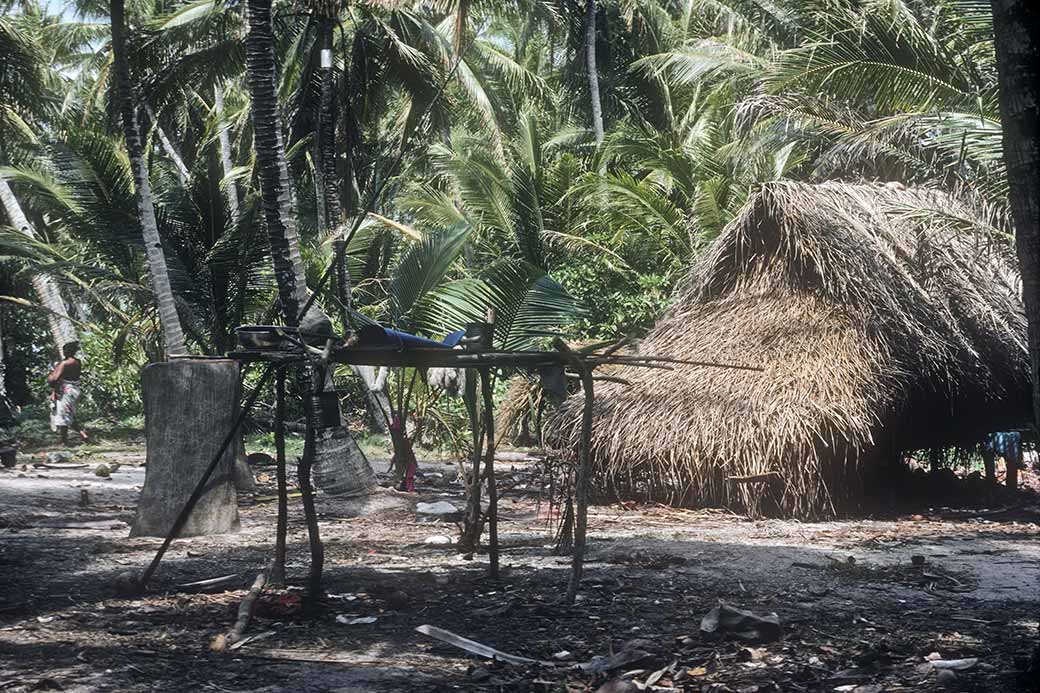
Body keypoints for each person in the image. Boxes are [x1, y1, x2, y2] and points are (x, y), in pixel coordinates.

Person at [46, 341, 85, 446]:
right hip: (74, 390)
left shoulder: (65, 363)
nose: (63, 352)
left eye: (65, 350)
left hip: (66, 391)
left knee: (63, 416)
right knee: (69, 414)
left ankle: (64, 441)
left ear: (69, 351)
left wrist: (50, 377)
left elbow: (54, 379)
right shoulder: (78, 362)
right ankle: (83, 434)